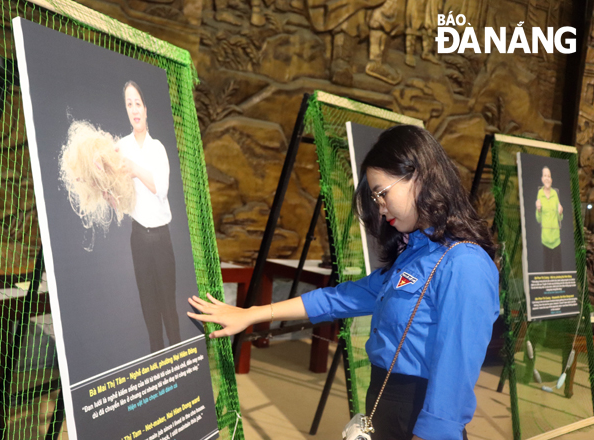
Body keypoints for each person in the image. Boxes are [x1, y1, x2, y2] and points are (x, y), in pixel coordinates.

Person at [188, 125, 499, 440]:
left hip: (417, 417)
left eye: (382, 193)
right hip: (385, 403)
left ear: (417, 176)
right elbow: (340, 298)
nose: (379, 206)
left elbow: (454, 377)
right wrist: (251, 314)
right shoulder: (414, 252)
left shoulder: (465, 264)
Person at [119, 80, 181, 353]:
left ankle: (177, 355)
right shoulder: (120, 147)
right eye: (129, 104)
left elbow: (160, 188)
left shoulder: (158, 149)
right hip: (138, 237)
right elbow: (119, 197)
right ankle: (157, 354)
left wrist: (134, 168)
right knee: (148, 301)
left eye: (137, 103)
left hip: (161, 237)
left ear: (146, 108)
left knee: (167, 300)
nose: (134, 109)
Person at [535, 166, 563, 272]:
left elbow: (560, 218)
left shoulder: (555, 194)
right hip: (546, 239)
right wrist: (538, 210)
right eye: (545, 175)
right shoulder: (540, 194)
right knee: (546, 270)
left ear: (551, 179)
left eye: (549, 176)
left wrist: (560, 212)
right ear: (542, 178)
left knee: (558, 270)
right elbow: (538, 219)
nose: (547, 178)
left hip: (556, 239)